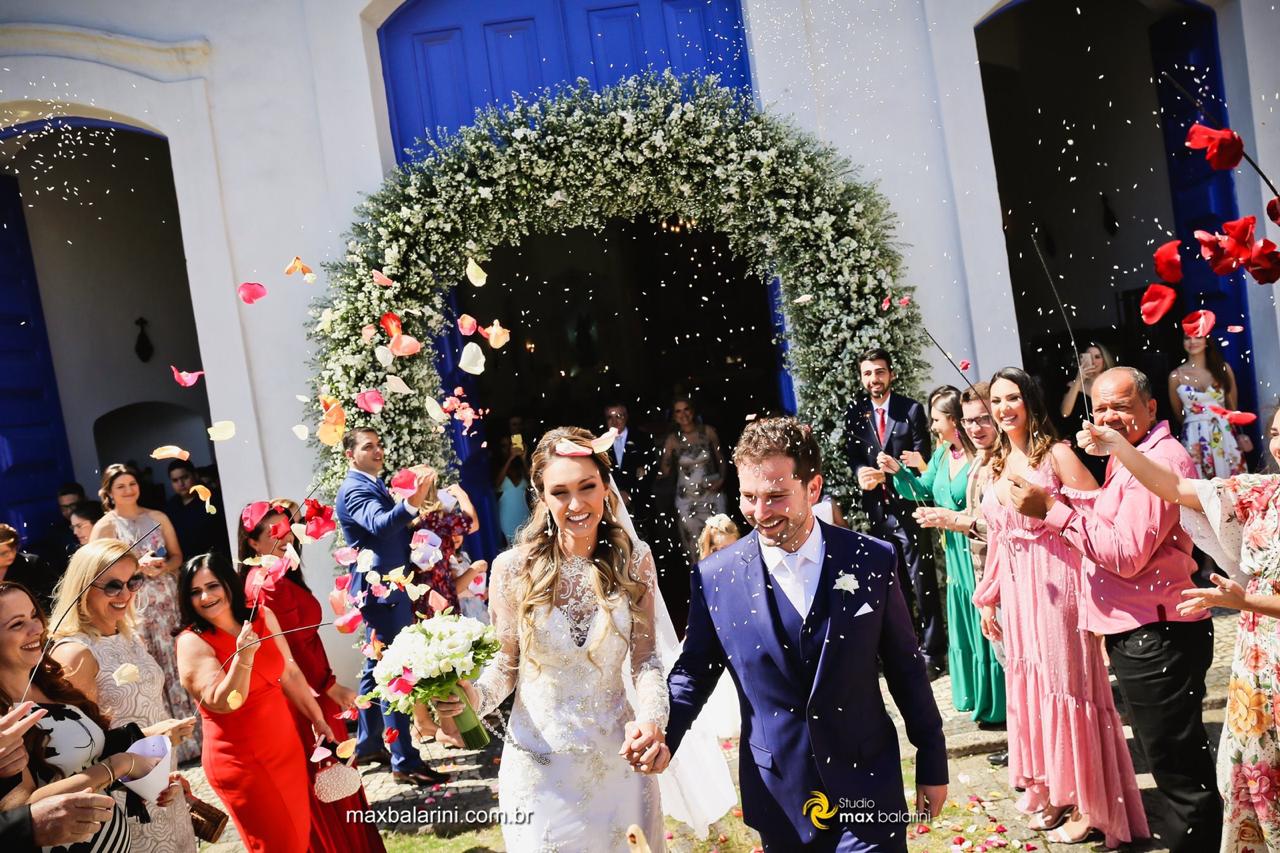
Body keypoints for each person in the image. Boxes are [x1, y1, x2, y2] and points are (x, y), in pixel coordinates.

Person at [647, 416, 947, 850]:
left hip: (867, 784)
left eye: (775, 497)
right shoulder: (716, 577)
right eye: (749, 497)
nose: (760, 513)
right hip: (781, 795)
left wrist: (932, 761)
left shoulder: (871, 560)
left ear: (814, 488)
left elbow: (905, 667)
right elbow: (694, 670)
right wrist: (663, 732)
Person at [429, 427, 674, 851]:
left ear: (605, 487)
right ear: (542, 496)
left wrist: (652, 721)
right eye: (560, 492)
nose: (576, 504)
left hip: (619, 766)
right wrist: (472, 700)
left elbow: (646, 659)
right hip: (539, 772)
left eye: (587, 487)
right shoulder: (511, 569)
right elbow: (505, 667)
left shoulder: (635, 561)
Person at [1007, 367, 1219, 851]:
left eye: (1121, 406)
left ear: (1151, 408)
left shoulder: (1161, 458)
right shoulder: (1129, 456)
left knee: (1177, 770)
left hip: (1158, 633)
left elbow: (1125, 555)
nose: (1108, 417)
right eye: (1100, 407)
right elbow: (1107, 517)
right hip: (1140, 630)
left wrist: (1052, 512)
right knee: (1166, 757)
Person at [1086, 403, 1280, 851]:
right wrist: (1117, 444)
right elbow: (1172, 486)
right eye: (1273, 432)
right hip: (1256, 664)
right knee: (1251, 775)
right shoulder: (1262, 492)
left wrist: (1243, 599)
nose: (1277, 443)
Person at [971, 368, 1147, 847]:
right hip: (1019, 592)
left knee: (1068, 690)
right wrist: (989, 596)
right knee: (1032, 688)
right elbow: (1001, 538)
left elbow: (1100, 517)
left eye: (1013, 398)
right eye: (997, 400)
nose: (1004, 408)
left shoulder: (1059, 455)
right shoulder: (998, 460)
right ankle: (1052, 788)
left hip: (1056, 585)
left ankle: (1091, 805)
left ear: (1030, 401)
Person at [237, 505, 384, 853]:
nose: (284, 536)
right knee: (327, 785)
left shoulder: (279, 575)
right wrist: (330, 686)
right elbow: (292, 654)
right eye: (272, 533)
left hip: (313, 690)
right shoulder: (267, 585)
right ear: (252, 544)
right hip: (305, 698)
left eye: (286, 529)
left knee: (335, 783)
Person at [175, 553, 337, 853]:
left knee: (297, 841)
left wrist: (318, 719)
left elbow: (288, 672)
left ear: (229, 584)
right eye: (195, 592)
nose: (206, 596)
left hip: (286, 749)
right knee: (277, 846)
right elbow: (221, 702)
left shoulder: (262, 616)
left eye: (212, 586)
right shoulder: (191, 641)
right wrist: (243, 658)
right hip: (242, 762)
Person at [48, 539, 198, 852]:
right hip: (124, 805)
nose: (126, 594)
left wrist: (167, 775)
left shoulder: (127, 634)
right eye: (113, 586)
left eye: (133, 581)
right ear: (83, 588)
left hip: (162, 793)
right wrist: (151, 736)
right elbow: (78, 751)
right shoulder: (75, 653)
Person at [0, 580, 166, 853]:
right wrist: (118, 765)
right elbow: (25, 809)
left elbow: (81, 765)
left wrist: (143, 773)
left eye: (34, 616)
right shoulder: (4, 721)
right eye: (17, 624)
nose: (36, 629)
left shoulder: (51, 683)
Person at [882, 386, 1005, 726]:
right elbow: (922, 491)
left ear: (955, 421)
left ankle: (999, 702)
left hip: (977, 548)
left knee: (988, 622)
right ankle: (978, 697)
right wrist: (899, 472)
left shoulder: (982, 458)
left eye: (937, 419)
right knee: (966, 621)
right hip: (953, 551)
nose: (933, 426)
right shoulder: (941, 455)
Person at [332, 428, 446, 784]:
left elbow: (389, 528)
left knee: (376, 665)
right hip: (381, 590)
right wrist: (413, 500)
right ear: (351, 455)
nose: (378, 451)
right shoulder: (354, 488)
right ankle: (405, 760)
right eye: (369, 447)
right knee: (396, 670)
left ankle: (367, 744)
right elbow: (380, 525)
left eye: (380, 445)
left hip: (389, 586)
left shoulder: (371, 483)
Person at [842, 347, 945, 677]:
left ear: (891, 374)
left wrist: (897, 468)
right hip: (877, 510)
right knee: (893, 584)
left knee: (921, 580)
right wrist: (860, 473)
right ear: (862, 378)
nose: (874, 379)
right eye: (868, 373)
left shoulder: (911, 410)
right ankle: (905, 649)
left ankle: (933, 652)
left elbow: (924, 460)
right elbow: (854, 456)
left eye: (880, 372)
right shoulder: (855, 413)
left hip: (909, 508)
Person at [89, 464, 198, 763]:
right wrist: (136, 567)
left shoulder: (157, 517)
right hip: (133, 600)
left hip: (164, 596)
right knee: (148, 663)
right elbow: (97, 569)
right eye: (121, 486)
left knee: (175, 658)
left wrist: (164, 566)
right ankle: (162, 739)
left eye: (132, 483)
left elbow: (177, 555)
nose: (128, 490)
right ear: (109, 492)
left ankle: (193, 736)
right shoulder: (105, 526)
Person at [1169, 333, 1248, 479]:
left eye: (1198, 337)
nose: (1192, 341)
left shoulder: (1223, 369)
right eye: (1187, 337)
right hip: (1194, 437)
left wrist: (1241, 435)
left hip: (1224, 434)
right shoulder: (1176, 376)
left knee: (1232, 485)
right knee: (1199, 486)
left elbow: (1232, 409)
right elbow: (1179, 415)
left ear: (1207, 340)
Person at [659, 397, 727, 564]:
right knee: (695, 543)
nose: (683, 414)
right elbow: (664, 471)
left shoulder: (708, 432)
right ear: (674, 416)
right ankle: (701, 582)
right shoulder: (672, 440)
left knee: (720, 537)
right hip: (687, 498)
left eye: (686, 409)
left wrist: (722, 479)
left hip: (711, 492)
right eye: (678, 411)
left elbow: (721, 460)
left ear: (693, 410)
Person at [164, 460, 228, 559]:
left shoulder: (212, 498)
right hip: (186, 565)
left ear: (195, 475)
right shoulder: (171, 507)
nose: (181, 484)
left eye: (184, 477)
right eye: (175, 480)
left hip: (215, 560)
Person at [605, 403, 658, 522]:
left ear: (626, 417)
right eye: (610, 417)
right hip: (611, 504)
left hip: (640, 503)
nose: (614, 421)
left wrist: (630, 493)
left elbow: (651, 469)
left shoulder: (642, 438)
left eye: (618, 416)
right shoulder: (601, 443)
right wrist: (616, 494)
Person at [0, 527, 58, 613]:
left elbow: (54, 595)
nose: (11, 554)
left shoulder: (32, 563)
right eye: (3, 553)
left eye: (14, 548)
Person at [492, 434, 531, 546]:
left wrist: (523, 459)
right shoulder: (497, 466)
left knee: (526, 543)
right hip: (506, 514)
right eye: (505, 446)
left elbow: (532, 483)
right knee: (510, 544)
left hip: (523, 512)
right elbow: (496, 484)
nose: (509, 448)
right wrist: (510, 458)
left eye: (511, 444)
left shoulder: (521, 467)